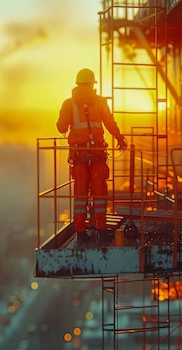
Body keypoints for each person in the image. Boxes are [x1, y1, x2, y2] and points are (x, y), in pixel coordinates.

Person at [57, 68, 127, 243]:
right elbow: (110, 122)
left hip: (79, 154)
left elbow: (61, 127)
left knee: (80, 193)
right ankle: (101, 229)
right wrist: (119, 138)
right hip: (97, 153)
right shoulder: (100, 102)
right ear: (92, 83)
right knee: (99, 192)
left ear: (77, 83)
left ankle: (81, 232)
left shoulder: (68, 103)